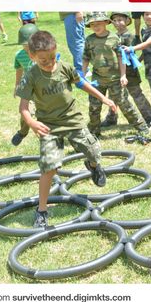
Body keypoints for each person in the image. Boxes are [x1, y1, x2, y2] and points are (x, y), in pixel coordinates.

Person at [16, 30, 116, 227]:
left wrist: (103, 98)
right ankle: (42, 210)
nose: (49, 62)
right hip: (48, 126)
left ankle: (93, 166)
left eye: (52, 57)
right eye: (43, 59)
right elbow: (23, 108)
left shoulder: (65, 68)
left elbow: (82, 84)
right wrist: (32, 123)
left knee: (94, 152)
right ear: (32, 56)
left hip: (73, 120)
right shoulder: (31, 76)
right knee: (49, 168)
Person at [82, 12, 149, 138]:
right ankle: (94, 131)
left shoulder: (114, 38)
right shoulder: (89, 40)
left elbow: (121, 57)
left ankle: (141, 127)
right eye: (92, 24)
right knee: (94, 106)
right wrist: (83, 72)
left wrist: (123, 75)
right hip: (97, 79)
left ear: (106, 23)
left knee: (124, 104)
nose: (96, 26)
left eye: (99, 23)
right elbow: (85, 57)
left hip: (115, 79)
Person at [101, 12, 151, 128]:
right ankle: (111, 118)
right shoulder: (112, 37)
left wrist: (138, 62)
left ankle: (150, 117)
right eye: (114, 20)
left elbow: (144, 49)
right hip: (115, 73)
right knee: (114, 95)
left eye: (120, 20)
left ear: (127, 21)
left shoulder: (130, 37)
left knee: (137, 94)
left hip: (130, 73)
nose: (117, 22)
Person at [11, 23, 39, 146]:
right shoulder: (19, 55)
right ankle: (22, 132)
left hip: (44, 89)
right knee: (26, 112)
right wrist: (17, 85)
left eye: (30, 45)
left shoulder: (44, 52)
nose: (27, 47)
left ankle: (49, 137)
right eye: (25, 45)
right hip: (29, 90)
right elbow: (19, 69)